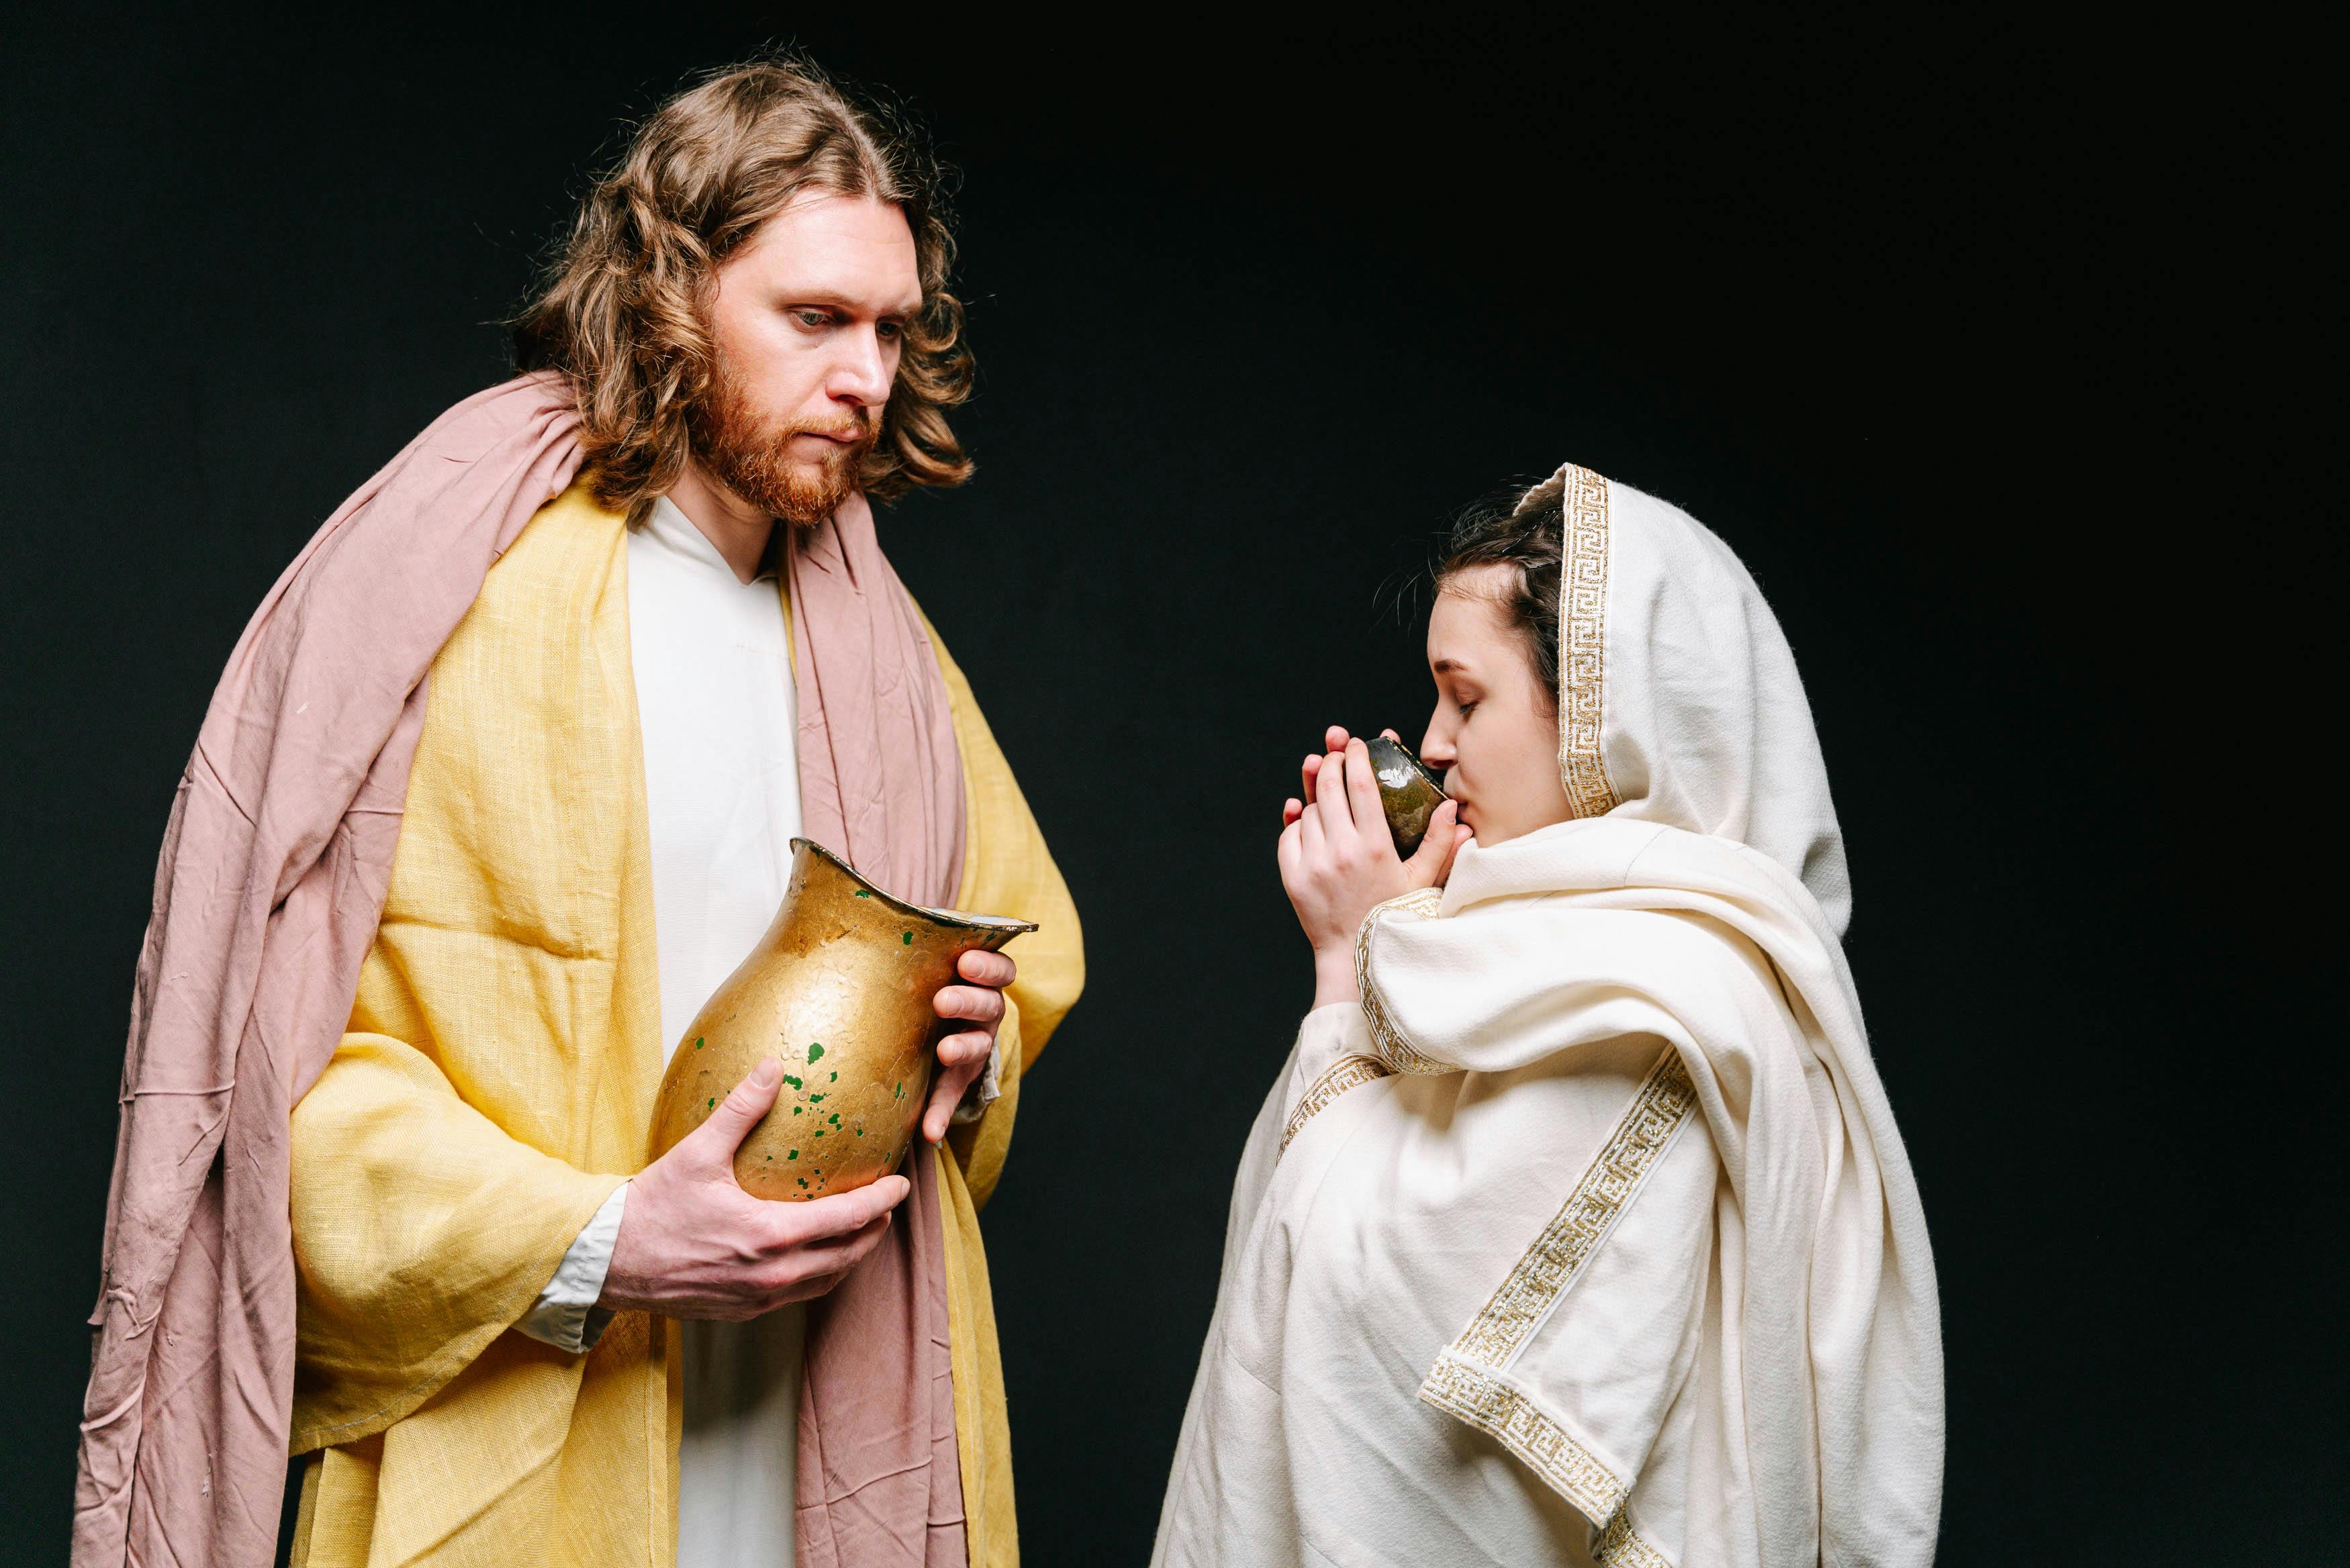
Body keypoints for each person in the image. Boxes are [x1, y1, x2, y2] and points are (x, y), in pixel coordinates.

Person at [73, 58, 1082, 1568]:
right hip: (531, 1427)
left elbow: (1023, 947)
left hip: (824, 1416)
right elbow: (287, 1090)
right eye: (814, 318)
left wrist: (973, 1042)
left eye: (888, 328)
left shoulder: (883, 655)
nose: (868, 376)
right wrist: (605, 1243)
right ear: (672, 295)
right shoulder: (464, 601)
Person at [1154, 463, 1941, 1565]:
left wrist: (1347, 964)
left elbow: (1363, 1325)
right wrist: (1384, 945)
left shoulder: (1666, 998)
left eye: (1466, 698)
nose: (1431, 744)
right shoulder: (1539, 963)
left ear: (1606, 722)